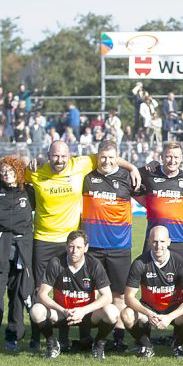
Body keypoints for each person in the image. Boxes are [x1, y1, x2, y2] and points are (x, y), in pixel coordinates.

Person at [28, 139, 137, 351]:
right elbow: (17, 170)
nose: (106, 161)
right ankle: (49, 338)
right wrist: (35, 161)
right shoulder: (83, 173)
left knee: (110, 294)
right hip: (64, 241)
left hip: (109, 245)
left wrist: (132, 167)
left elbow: (110, 158)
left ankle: (113, 339)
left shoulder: (99, 170)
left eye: (63, 156)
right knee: (56, 289)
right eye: (55, 155)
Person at [81, 140, 137, 351]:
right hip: (92, 246)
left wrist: (131, 168)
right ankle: (86, 337)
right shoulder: (86, 177)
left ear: (117, 159)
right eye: (103, 157)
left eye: (111, 158)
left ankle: (119, 339)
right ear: (97, 157)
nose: (106, 161)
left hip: (119, 247)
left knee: (118, 295)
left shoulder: (127, 178)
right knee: (90, 293)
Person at [30, 230, 119, 360]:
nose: (74, 251)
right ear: (66, 246)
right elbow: (41, 294)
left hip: (87, 314)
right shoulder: (56, 263)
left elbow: (108, 296)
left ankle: (98, 344)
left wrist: (83, 311)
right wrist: (64, 310)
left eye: (78, 247)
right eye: (71, 246)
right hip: (62, 313)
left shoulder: (94, 265)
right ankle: (53, 344)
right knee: (36, 310)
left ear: (86, 248)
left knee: (112, 312)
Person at [0, 156, 34, 353]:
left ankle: (14, 336)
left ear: (18, 171)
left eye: (11, 171)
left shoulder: (28, 191)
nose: (7, 175)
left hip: (22, 247)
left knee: (18, 295)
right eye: (3, 172)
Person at [122, 226, 183, 358]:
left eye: (162, 242)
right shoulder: (140, 263)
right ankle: (146, 345)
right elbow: (128, 297)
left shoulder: (180, 263)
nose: (158, 246)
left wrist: (169, 317)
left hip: (173, 309)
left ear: (169, 242)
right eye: (155, 241)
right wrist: (150, 314)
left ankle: (177, 344)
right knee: (126, 315)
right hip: (149, 308)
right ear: (148, 242)